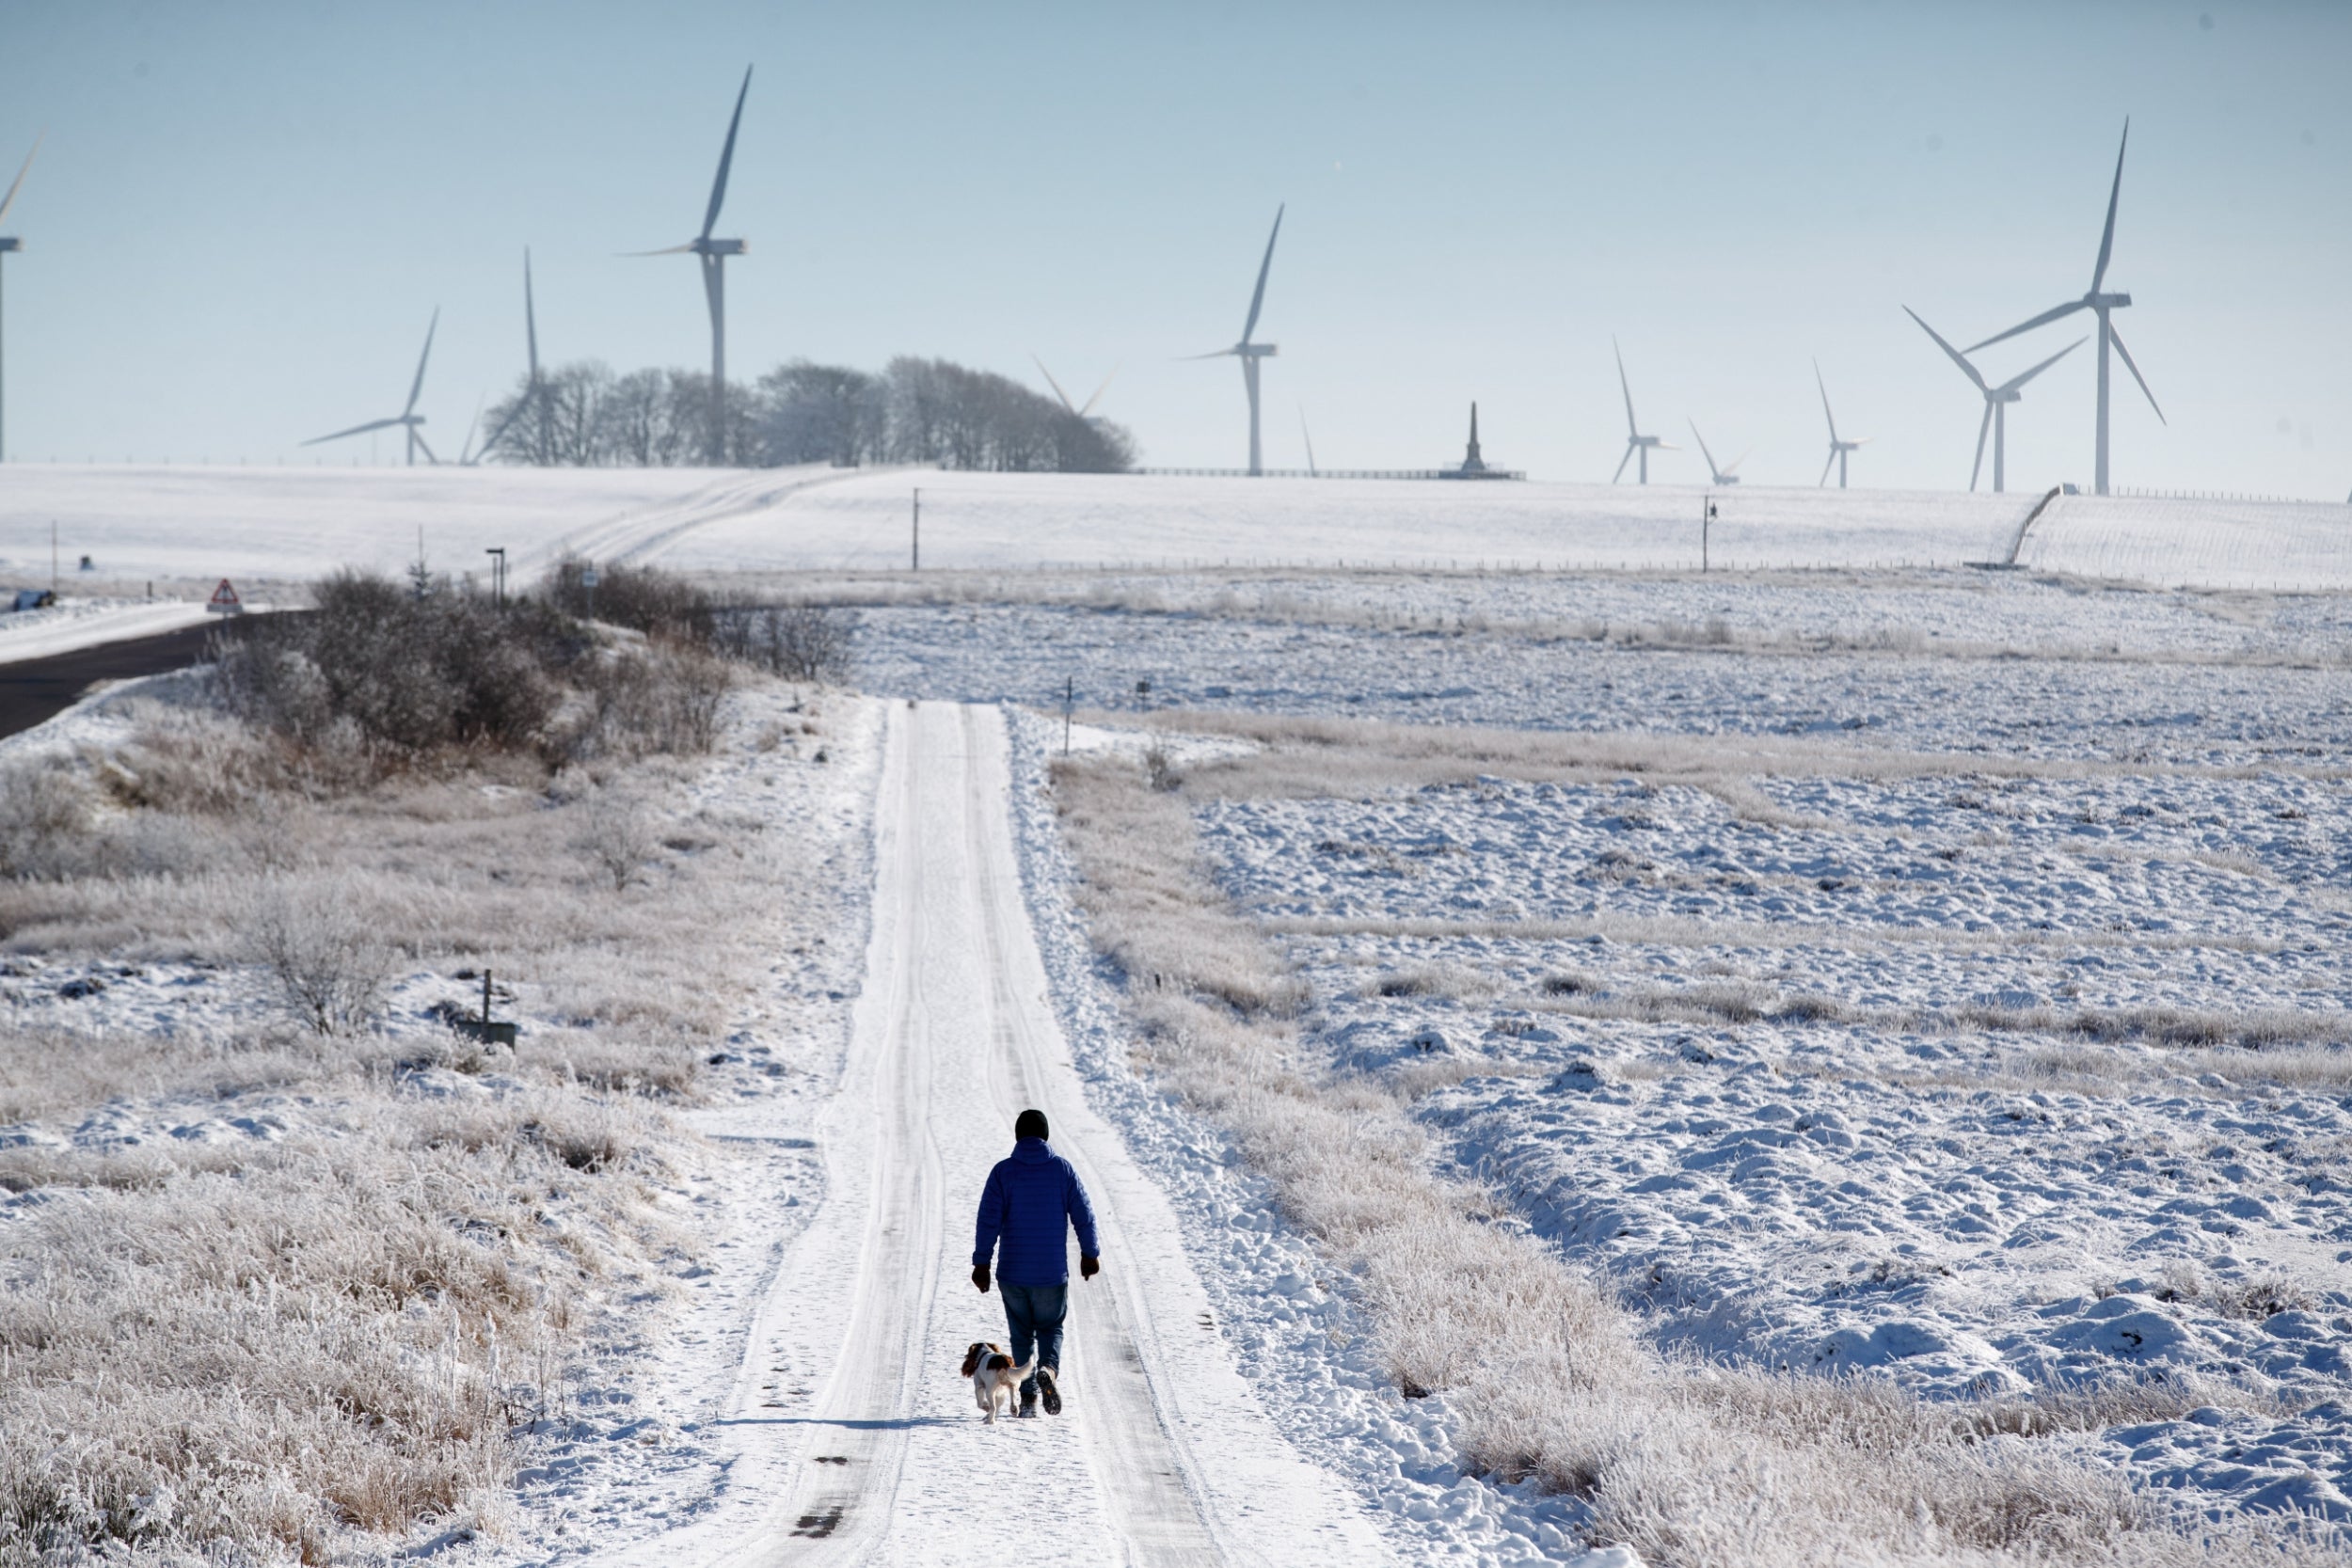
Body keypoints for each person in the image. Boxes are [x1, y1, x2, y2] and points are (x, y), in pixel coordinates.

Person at [971, 1108, 1100, 1418]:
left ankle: (1027, 1397)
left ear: (1018, 1136)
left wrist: (982, 1263)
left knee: (1020, 1333)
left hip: (1012, 1272)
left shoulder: (1003, 1172)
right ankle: (1049, 1371)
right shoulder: (1062, 1170)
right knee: (1051, 1327)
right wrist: (1089, 1253)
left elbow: (988, 1221)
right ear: (1046, 1136)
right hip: (1051, 1273)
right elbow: (1084, 1214)